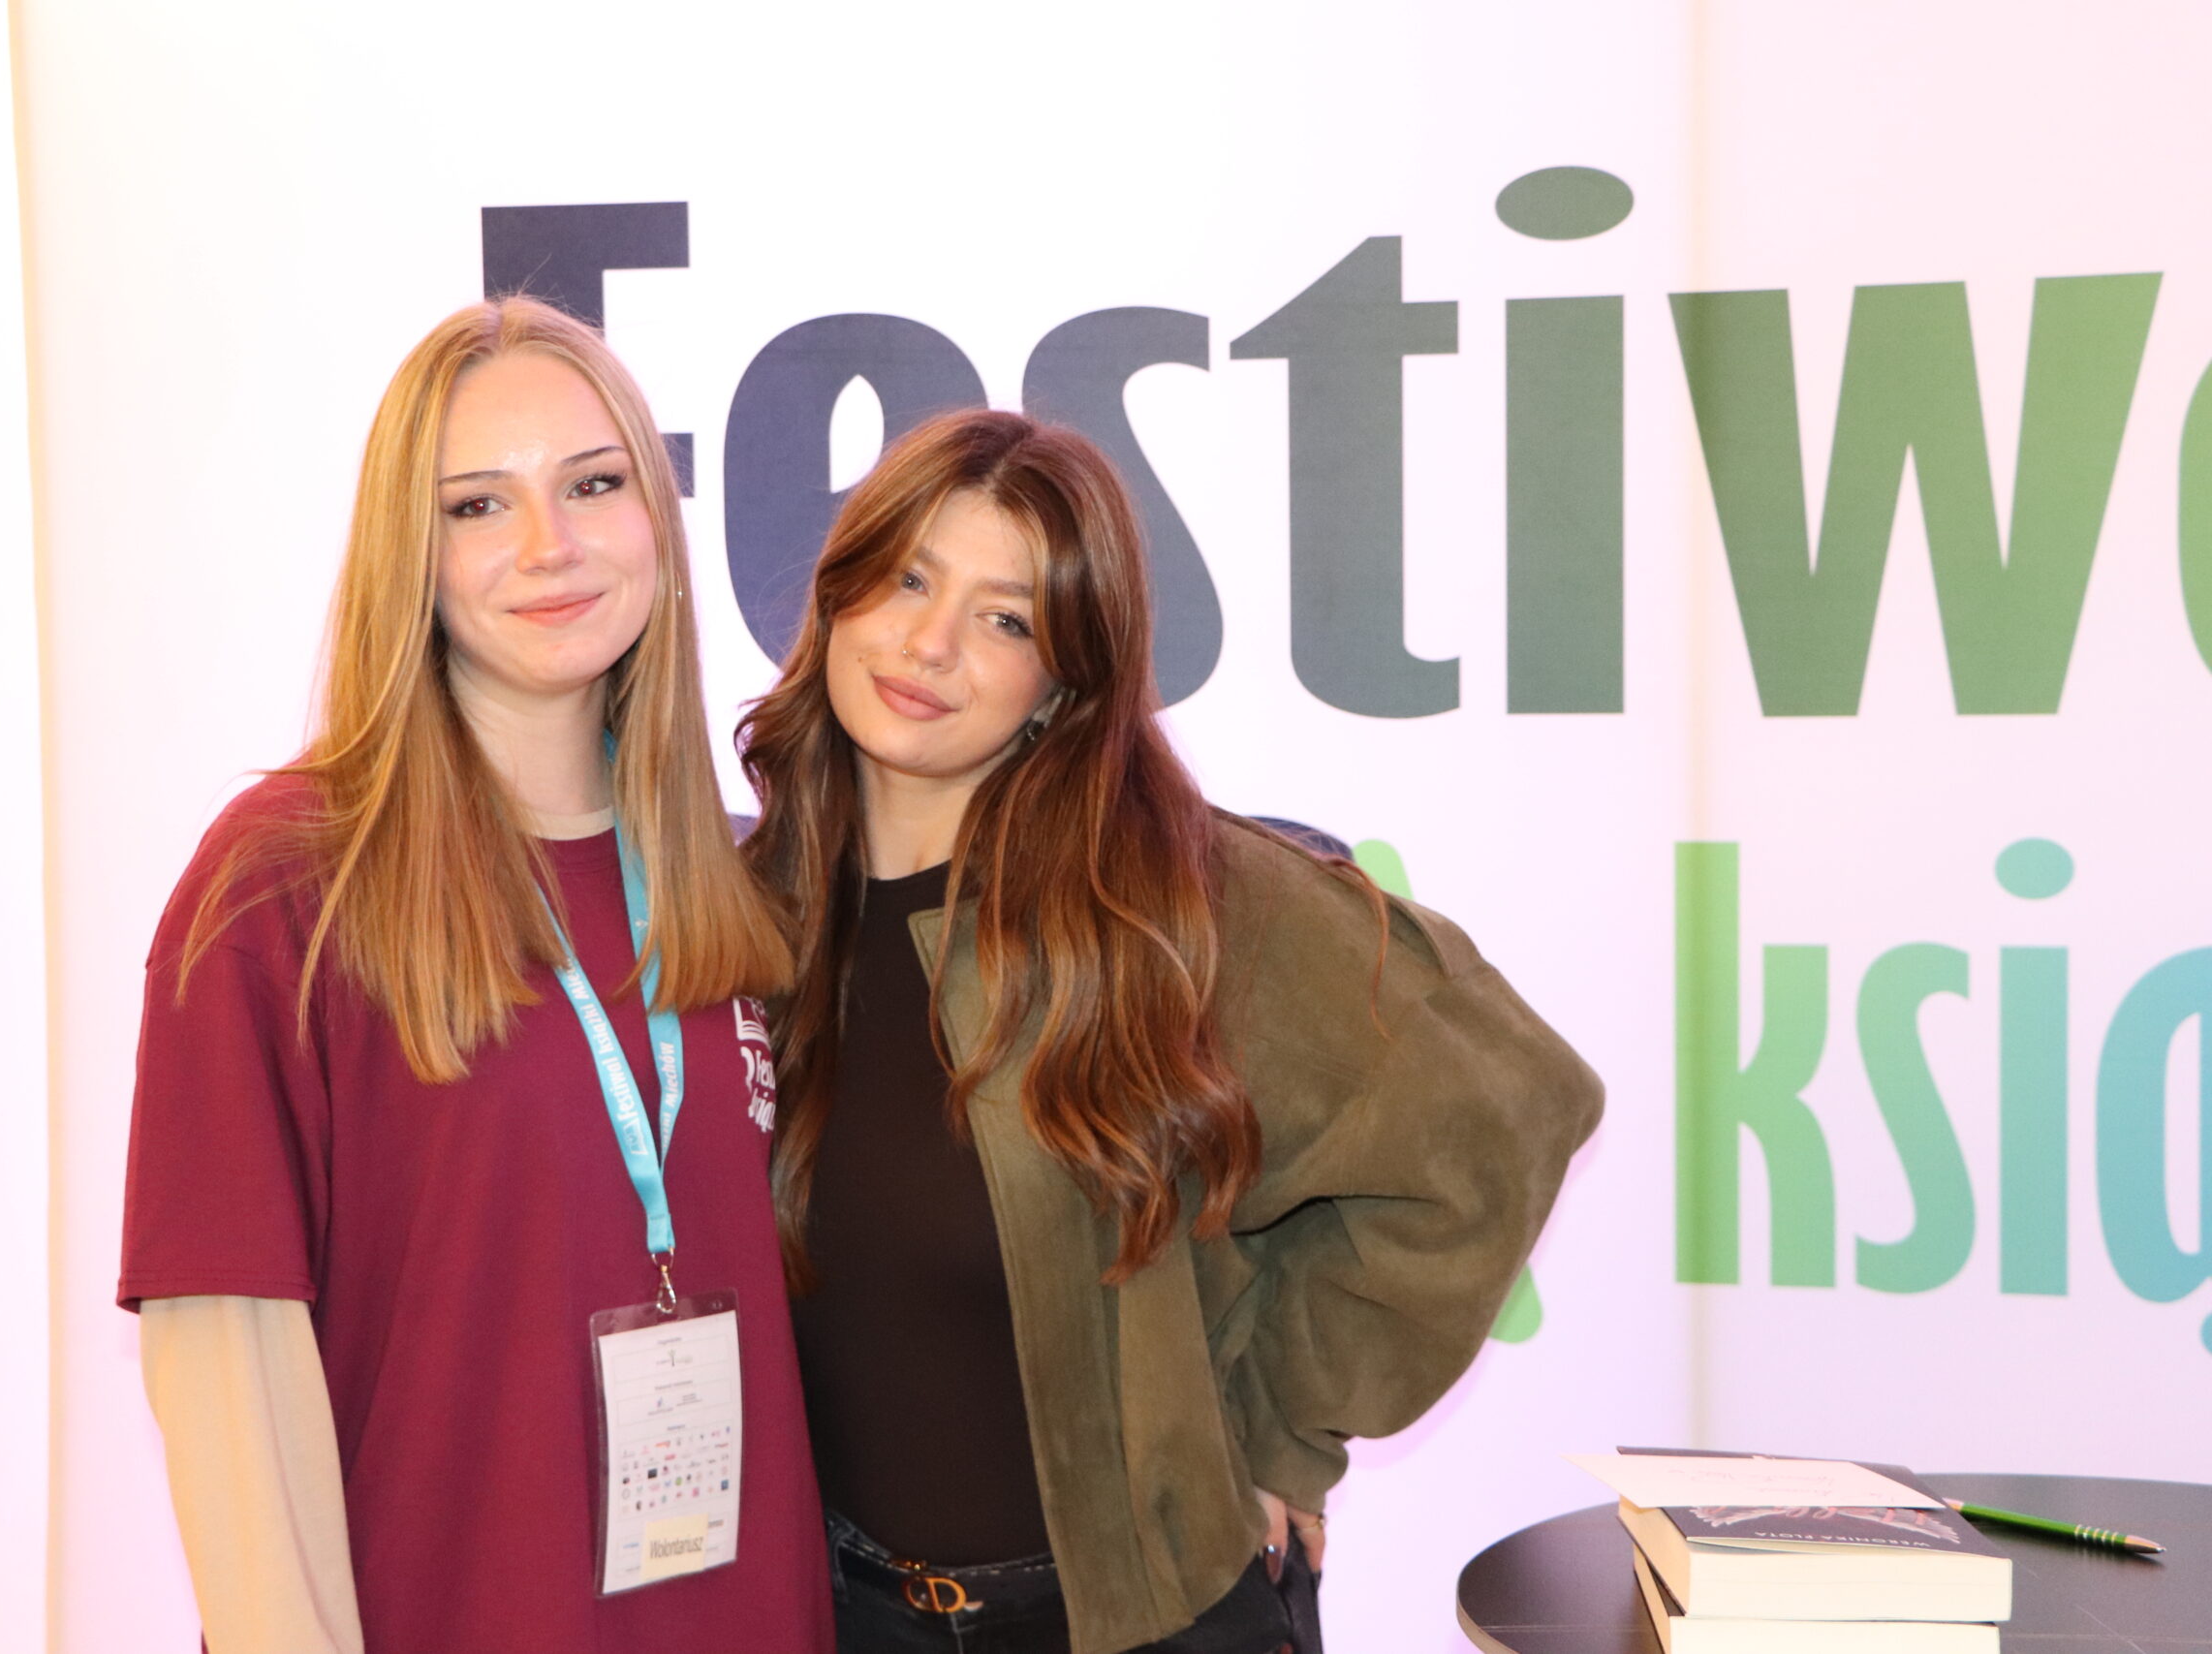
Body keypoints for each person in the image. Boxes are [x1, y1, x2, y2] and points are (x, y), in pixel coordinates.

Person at [738, 409, 1604, 1654]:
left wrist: (1280, 1431)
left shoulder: (1177, 902)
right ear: (839, 592)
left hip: (1142, 1623)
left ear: (1064, 680)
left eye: (1006, 619)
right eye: (910, 579)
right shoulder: (744, 910)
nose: (929, 644)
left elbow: (1505, 1102)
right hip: (837, 1614)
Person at [118, 297, 833, 1654]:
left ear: (658, 520)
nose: (550, 544)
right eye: (478, 505)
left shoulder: (731, 878)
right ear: (413, 553)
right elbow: (226, 1363)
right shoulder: (284, 882)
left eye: (594, 484)